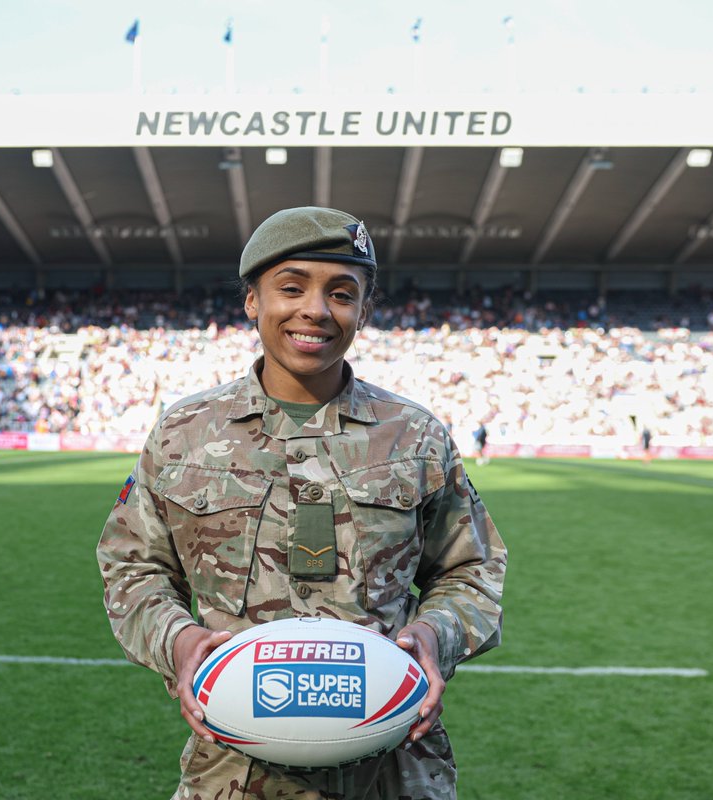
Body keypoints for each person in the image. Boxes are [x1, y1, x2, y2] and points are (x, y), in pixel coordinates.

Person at [98, 207, 507, 800]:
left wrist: (434, 635)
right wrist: (179, 642)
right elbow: (133, 568)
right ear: (252, 301)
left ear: (363, 311)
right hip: (230, 775)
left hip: (395, 773)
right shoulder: (183, 433)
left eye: (342, 294)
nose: (315, 309)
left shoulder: (414, 435)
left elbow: (472, 567)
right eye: (291, 287)